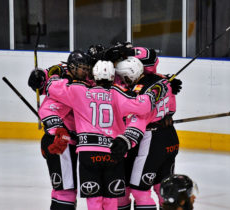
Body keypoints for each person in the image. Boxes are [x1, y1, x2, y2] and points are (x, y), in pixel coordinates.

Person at [45, 60, 164, 210]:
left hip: (88, 153)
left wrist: (55, 72)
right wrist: (156, 90)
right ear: (113, 76)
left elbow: (52, 88)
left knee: (94, 200)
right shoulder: (118, 94)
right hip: (113, 152)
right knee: (111, 200)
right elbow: (144, 106)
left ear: (93, 76)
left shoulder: (79, 91)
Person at [27, 50, 93, 210]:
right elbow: (47, 108)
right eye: (81, 68)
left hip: (68, 140)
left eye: (86, 68)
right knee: (66, 190)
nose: (85, 72)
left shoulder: (82, 82)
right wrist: (37, 76)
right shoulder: (62, 82)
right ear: (71, 67)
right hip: (60, 140)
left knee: (63, 189)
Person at [115, 55, 182, 210]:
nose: (121, 80)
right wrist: (167, 116)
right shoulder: (164, 80)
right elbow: (171, 109)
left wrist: (126, 141)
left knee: (140, 191)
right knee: (163, 187)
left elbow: (137, 119)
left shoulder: (139, 92)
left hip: (150, 140)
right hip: (169, 136)